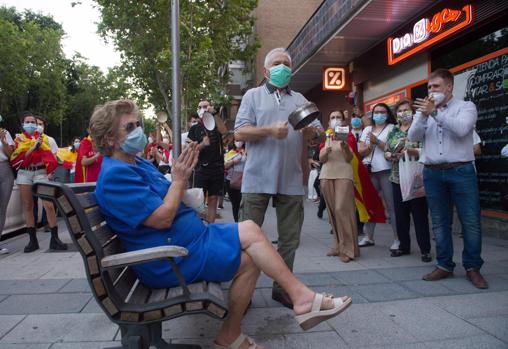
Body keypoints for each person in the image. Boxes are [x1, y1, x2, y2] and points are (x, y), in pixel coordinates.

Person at [91, 99, 352, 349]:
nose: (138, 131)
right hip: (171, 258)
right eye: (129, 127)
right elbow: (162, 218)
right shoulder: (116, 176)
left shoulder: (133, 164)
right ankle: (302, 299)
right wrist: (181, 179)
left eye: (138, 124)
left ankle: (231, 333)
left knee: (251, 258)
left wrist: (182, 180)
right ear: (109, 139)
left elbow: (166, 197)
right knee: (250, 230)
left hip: (186, 244)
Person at [234, 47, 324, 308]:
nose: (282, 67)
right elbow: (239, 133)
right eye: (277, 63)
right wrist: (269, 130)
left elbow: (317, 133)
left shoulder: (300, 99)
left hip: (291, 179)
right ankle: (243, 291)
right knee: (245, 239)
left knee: (289, 240)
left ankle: (282, 289)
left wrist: (312, 135)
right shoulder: (252, 96)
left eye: (286, 63)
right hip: (256, 178)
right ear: (266, 70)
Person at [409, 68, 488, 289]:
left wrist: (435, 113)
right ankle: (444, 265)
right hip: (433, 172)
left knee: (470, 221)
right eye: (429, 87)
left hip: (461, 171)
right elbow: (412, 137)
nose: (431, 91)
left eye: (436, 86)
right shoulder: (425, 111)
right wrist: (423, 116)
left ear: (449, 87)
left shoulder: (466, 107)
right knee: (440, 222)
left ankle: (473, 267)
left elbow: (462, 130)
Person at [10, 111, 67, 252]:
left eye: (33, 122)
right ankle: (32, 241)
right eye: (27, 122)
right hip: (25, 173)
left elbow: (51, 157)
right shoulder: (19, 140)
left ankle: (55, 239)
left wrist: (39, 145)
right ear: (23, 124)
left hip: (41, 173)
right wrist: (33, 147)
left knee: (48, 204)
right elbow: (18, 160)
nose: (31, 124)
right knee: (28, 206)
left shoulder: (44, 140)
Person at [385, 99, 432, 262]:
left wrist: (409, 151)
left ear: (413, 112)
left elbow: (425, 148)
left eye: (406, 110)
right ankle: (404, 246)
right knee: (400, 215)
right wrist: (391, 155)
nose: (403, 113)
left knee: (419, 214)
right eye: (400, 110)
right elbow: (386, 151)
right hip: (397, 177)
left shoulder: (419, 128)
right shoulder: (393, 131)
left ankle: (425, 249)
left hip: (415, 177)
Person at [319, 111, 359, 263]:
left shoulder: (348, 137)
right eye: (332, 117)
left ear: (343, 121)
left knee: (342, 209)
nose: (335, 120)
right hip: (326, 175)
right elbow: (321, 159)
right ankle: (337, 244)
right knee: (332, 212)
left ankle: (349, 249)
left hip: (343, 174)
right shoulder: (326, 137)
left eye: (338, 118)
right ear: (329, 123)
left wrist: (345, 147)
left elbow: (350, 158)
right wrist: (324, 151)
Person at [358, 103, 398, 249]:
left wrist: (377, 142)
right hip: (369, 170)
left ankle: (397, 238)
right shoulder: (367, 129)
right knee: (369, 204)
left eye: (382, 112)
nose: (379, 115)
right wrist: (368, 147)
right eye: (376, 112)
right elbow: (361, 150)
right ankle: (369, 237)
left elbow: (393, 148)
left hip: (386, 170)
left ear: (387, 114)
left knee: (391, 205)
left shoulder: (392, 128)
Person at [187, 101, 228, 223]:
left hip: (217, 168)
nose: (202, 109)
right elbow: (189, 150)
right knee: (198, 200)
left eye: (205, 106)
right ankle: (197, 228)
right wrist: (202, 145)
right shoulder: (195, 128)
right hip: (201, 169)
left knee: (213, 198)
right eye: (200, 107)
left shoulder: (216, 124)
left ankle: (211, 228)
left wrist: (214, 113)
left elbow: (225, 131)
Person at [0, 118, 15, 254]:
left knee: (2, 207)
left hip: (4, 169)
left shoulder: (5, 133)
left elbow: (10, 154)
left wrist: (3, 141)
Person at [225, 140, 246, 222]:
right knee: (235, 204)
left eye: (241, 140)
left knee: (244, 204)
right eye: (237, 140)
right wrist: (234, 161)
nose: (239, 142)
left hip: (245, 182)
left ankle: (244, 222)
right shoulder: (231, 152)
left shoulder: (248, 151)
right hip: (231, 181)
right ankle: (237, 223)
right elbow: (225, 166)